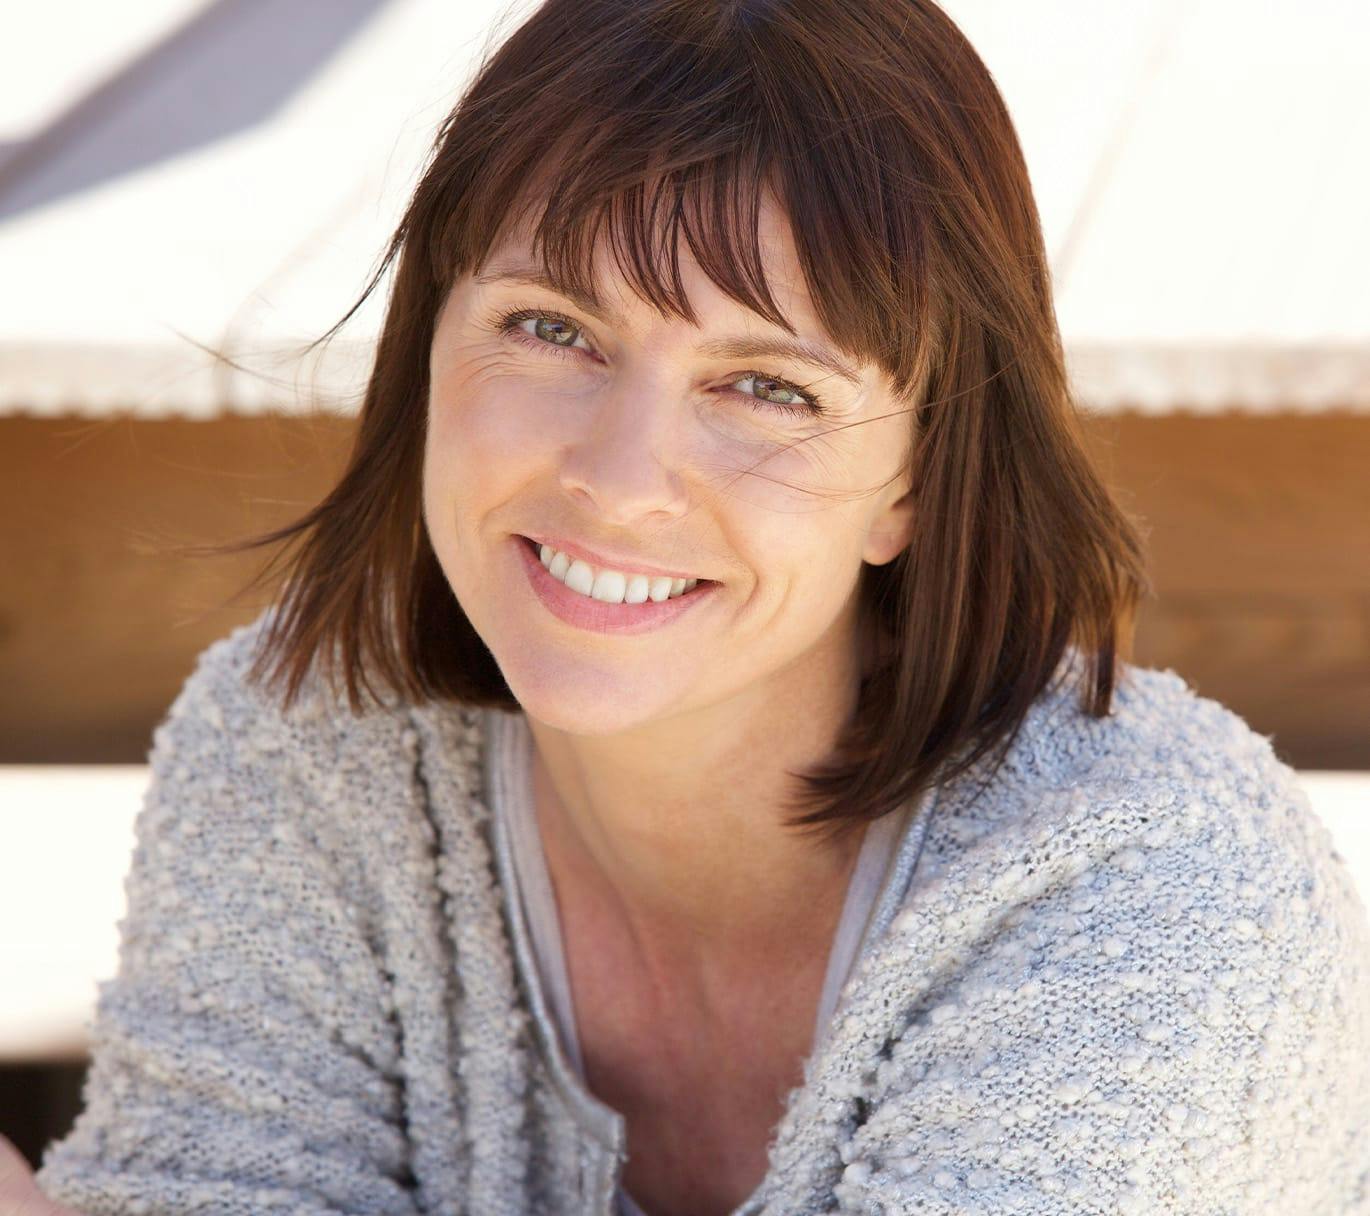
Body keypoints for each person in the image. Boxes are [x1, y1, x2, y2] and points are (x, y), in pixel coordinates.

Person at [10, 0, 1370, 1212]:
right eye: (552, 329)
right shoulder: (303, 740)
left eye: (767, 386)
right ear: (428, 340)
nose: (616, 481)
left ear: (914, 480)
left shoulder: (1153, 880)